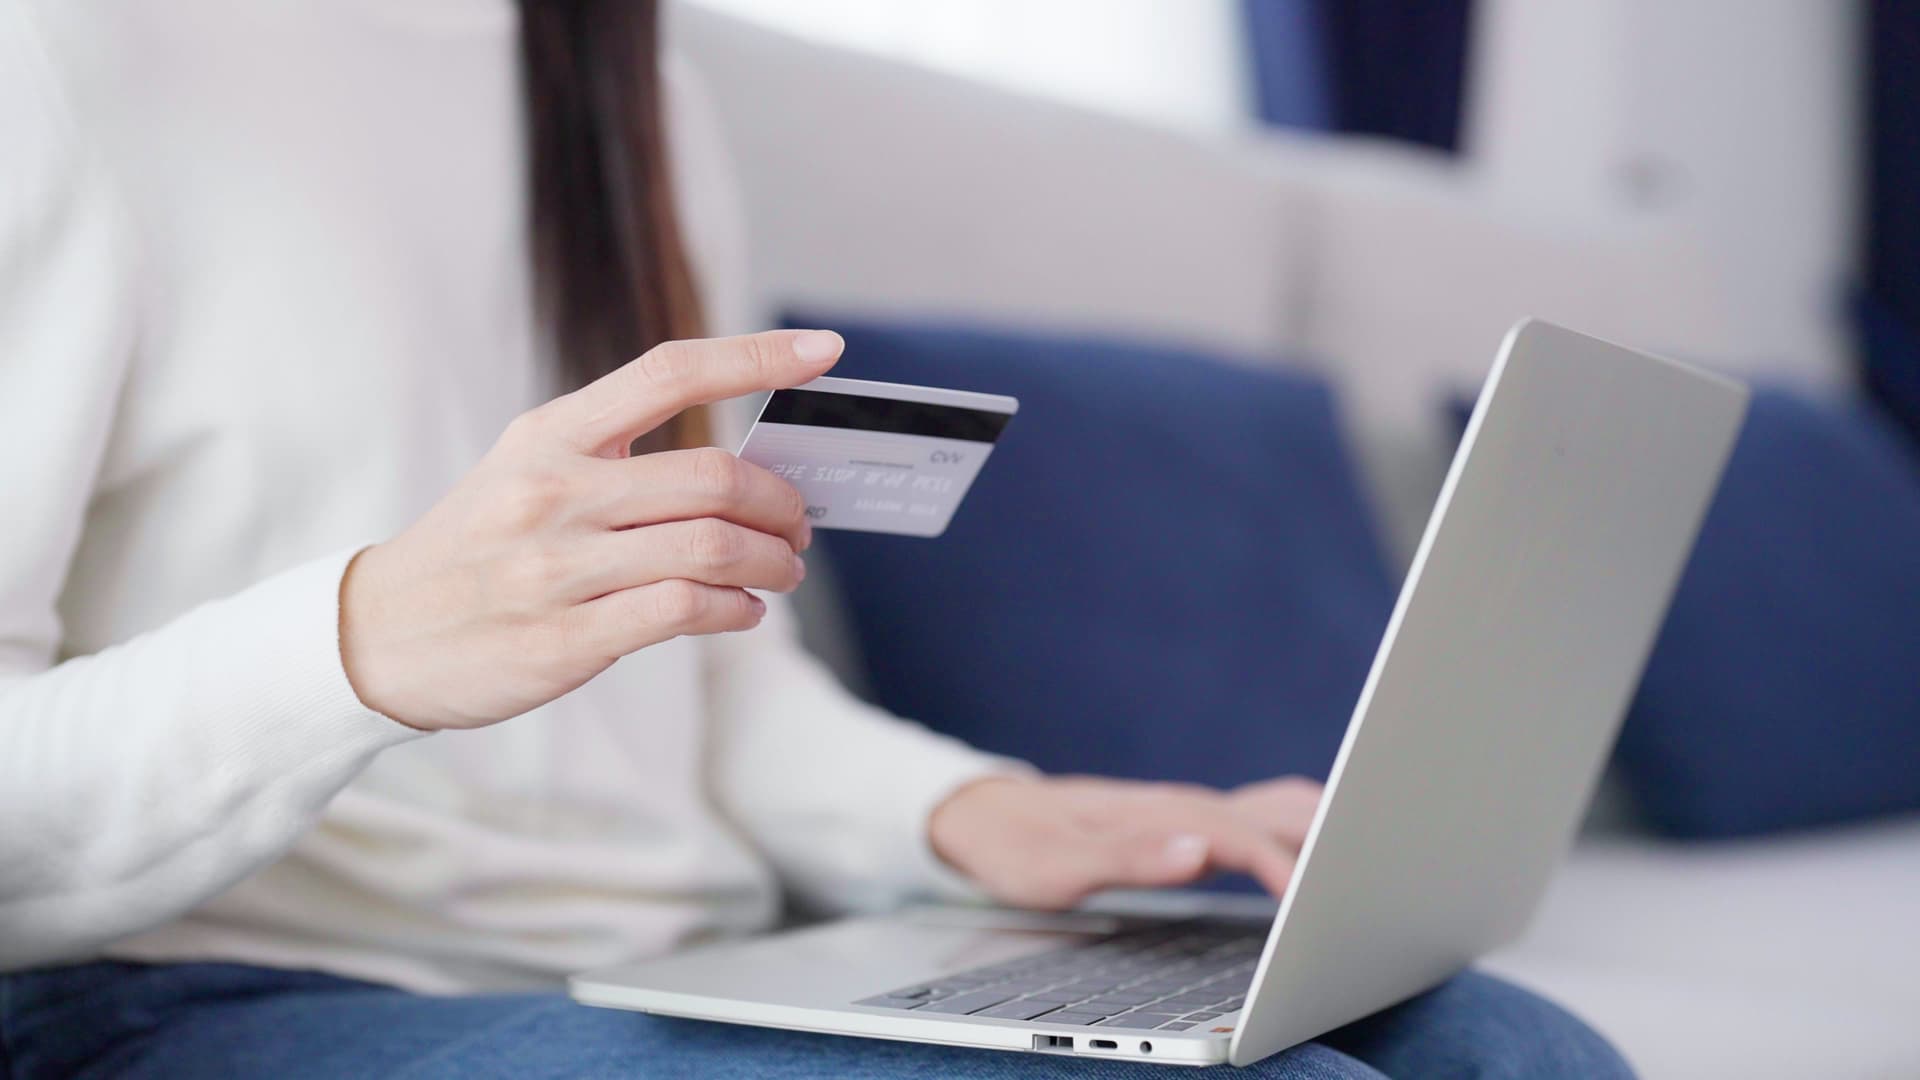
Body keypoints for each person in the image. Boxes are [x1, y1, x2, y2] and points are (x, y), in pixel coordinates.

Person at [0, 2, 1631, 1076]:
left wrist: (979, 813)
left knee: (1510, 1050)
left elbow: (708, 686)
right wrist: (356, 645)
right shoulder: (64, 55)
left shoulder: (624, 82)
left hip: (678, 953)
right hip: (201, 992)